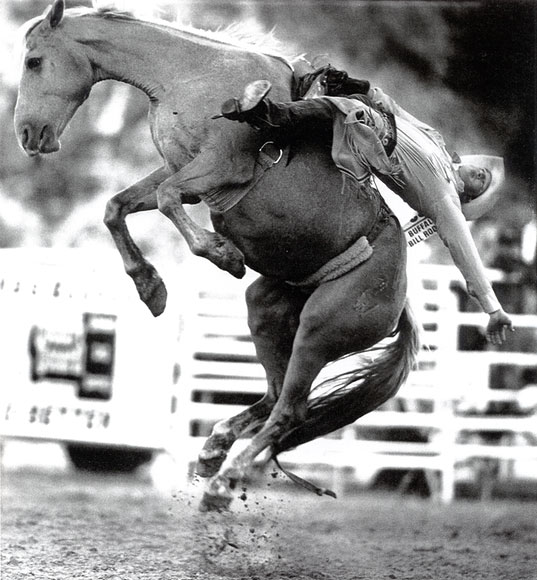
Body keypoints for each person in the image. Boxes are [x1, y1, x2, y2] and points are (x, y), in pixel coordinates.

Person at [215, 69, 514, 345]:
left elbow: (467, 254)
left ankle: (267, 116)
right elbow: (396, 110)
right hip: (376, 123)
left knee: (350, 110)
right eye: (484, 173)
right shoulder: (436, 141)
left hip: (370, 149)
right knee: (344, 93)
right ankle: (280, 115)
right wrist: (364, 87)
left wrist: (493, 308)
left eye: (483, 186)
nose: (482, 177)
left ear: (471, 198)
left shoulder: (446, 202)